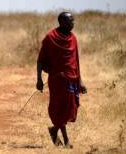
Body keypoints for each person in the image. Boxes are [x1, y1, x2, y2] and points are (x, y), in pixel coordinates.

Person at [36, 11, 87, 148]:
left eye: (73, 20)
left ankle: (54, 130)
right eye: (70, 21)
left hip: (72, 79)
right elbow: (40, 61)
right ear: (62, 22)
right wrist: (39, 79)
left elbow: (75, 62)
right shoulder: (51, 37)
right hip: (57, 79)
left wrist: (80, 81)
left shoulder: (73, 38)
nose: (73, 23)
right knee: (60, 108)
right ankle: (66, 140)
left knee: (69, 108)